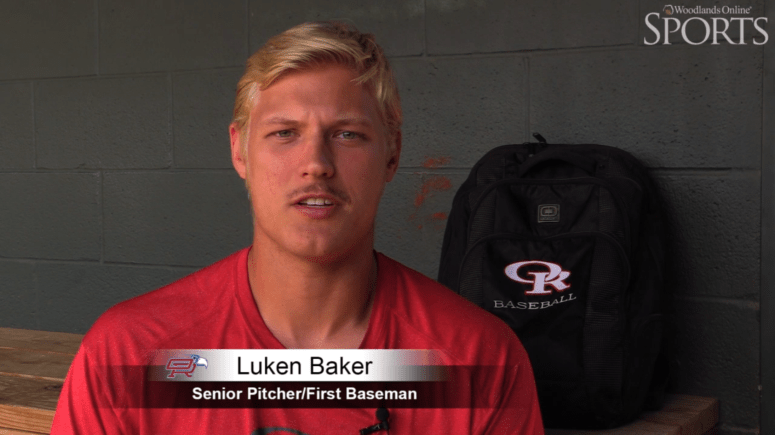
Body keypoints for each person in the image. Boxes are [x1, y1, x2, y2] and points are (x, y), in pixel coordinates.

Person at [51, 21, 544, 434]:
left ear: (392, 153)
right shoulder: (129, 356)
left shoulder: (480, 361)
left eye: (347, 134)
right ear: (240, 151)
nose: (316, 163)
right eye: (284, 134)